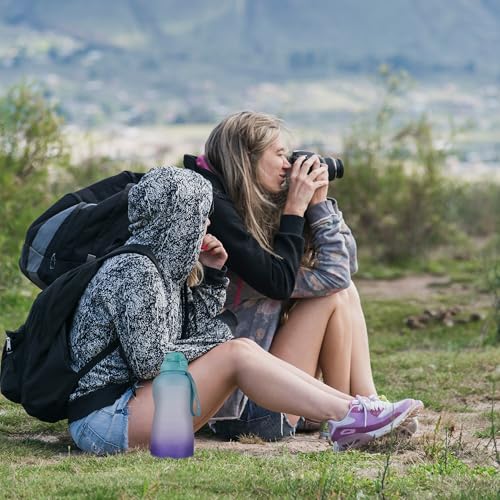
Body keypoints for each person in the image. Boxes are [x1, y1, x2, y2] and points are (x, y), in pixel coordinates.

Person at [67, 166, 421, 455]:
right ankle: (351, 415)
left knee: (237, 349)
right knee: (236, 352)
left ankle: (356, 412)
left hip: (140, 401)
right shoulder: (135, 270)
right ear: (175, 218)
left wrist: (212, 277)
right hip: (106, 418)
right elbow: (150, 362)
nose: (205, 225)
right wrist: (219, 341)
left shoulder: (159, 267)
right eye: (198, 215)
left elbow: (186, 336)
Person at [183, 111, 419, 441]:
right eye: (280, 155)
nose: (288, 165)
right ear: (247, 160)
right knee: (333, 294)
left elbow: (346, 265)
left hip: (267, 400)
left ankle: (365, 405)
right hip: (248, 412)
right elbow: (333, 278)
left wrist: (320, 205)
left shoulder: (260, 218)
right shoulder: (234, 238)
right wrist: (305, 207)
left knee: (344, 291)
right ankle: (353, 417)